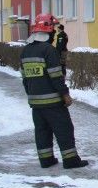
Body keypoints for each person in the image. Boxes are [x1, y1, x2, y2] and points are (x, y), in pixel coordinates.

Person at [19, 14, 89, 168]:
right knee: (64, 128)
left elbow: (24, 78)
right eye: (53, 31)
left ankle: (46, 160)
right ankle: (71, 160)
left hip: (35, 102)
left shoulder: (26, 51)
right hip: (53, 102)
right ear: (48, 31)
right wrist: (65, 94)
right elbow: (56, 76)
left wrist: (32, 95)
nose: (54, 35)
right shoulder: (48, 50)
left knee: (42, 131)